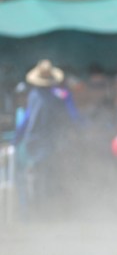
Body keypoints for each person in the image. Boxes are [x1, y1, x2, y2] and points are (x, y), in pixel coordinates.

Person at [16, 59, 77, 218]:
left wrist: (16, 140)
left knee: (37, 175)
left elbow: (26, 120)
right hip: (51, 142)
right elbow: (73, 116)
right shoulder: (61, 95)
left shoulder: (33, 95)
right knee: (51, 175)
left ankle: (35, 211)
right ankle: (49, 211)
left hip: (33, 143)